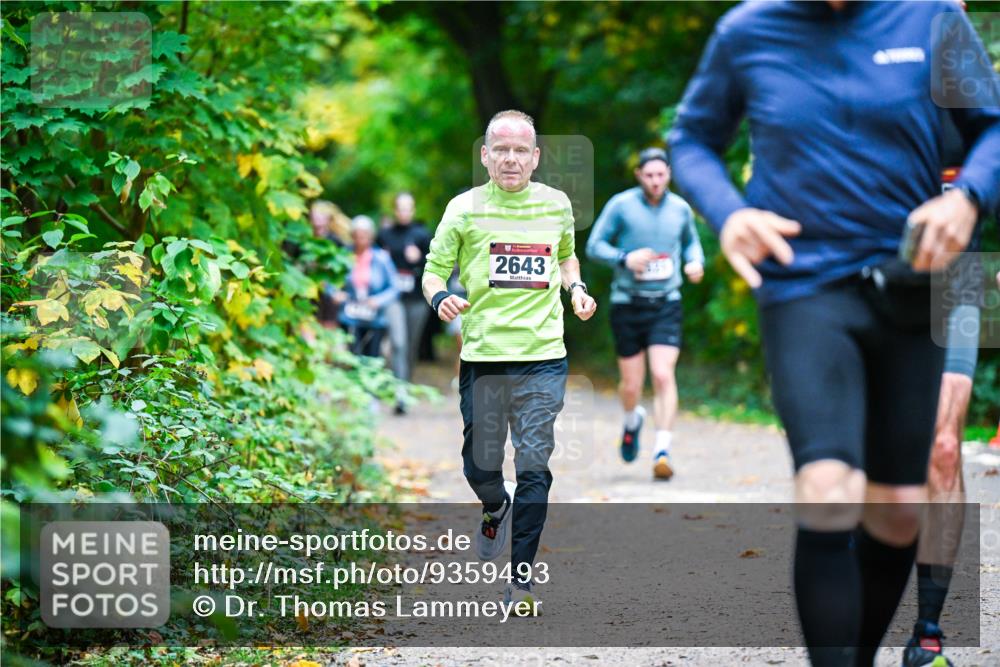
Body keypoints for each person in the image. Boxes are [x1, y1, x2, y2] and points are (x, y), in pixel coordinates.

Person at [668, 2, 999, 665]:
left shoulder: (930, 18)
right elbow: (691, 140)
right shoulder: (747, 31)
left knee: (899, 510)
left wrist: (969, 198)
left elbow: (992, 128)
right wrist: (730, 214)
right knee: (826, 487)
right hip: (804, 282)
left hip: (912, 282)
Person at [422, 109, 596, 612]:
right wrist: (439, 299)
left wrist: (576, 288)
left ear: (536, 157)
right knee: (480, 464)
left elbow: (566, 256)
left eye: (521, 150)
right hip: (484, 356)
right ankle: (494, 504)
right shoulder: (463, 209)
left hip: (544, 355)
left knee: (535, 465)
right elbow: (433, 272)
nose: (511, 158)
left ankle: (520, 579)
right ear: (485, 155)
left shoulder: (557, 205)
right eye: (501, 149)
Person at [585, 147, 704, 479]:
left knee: (664, 375)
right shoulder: (621, 206)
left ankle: (662, 450)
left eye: (661, 175)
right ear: (639, 175)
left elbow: (692, 243)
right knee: (631, 384)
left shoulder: (680, 209)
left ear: (669, 175)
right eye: (648, 175)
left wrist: (696, 261)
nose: (655, 181)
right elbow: (594, 246)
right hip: (627, 302)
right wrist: (625, 258)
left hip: (666, 301)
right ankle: (631, 419)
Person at [378, 192, 432, 413]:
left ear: (413, 210)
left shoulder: (421, 235)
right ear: (394, 210)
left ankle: (404, 387)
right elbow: (375, 263)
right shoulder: (385, 235)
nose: (404, 212)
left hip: (417, 299)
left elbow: (436, 265)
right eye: (400, 207)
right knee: (398, 343)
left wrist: (418, 258)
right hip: (393, 299)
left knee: (410, 347)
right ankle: (400, 394)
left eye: (408, 208)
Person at [333, 215, 400, 358]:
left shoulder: (382, 258)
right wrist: (335, 293)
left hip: (374, 318)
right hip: (349, 315)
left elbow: (395, 287)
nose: (360, 239)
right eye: (357, 235)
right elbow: (329, 281)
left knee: (372, 357)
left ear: (371, 236)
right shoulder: (343, 255)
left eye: (364, 235)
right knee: (352, 355)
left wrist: (378, 300)